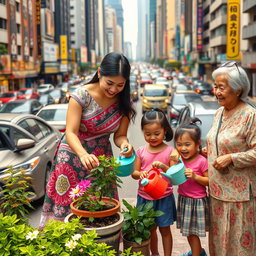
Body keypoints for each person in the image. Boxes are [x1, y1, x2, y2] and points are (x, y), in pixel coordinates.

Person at [39, 52, 136, 228]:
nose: (114, 89)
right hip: (71, 158)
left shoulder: (124, 102)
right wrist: (83, 154)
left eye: (120, 85)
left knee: (101, 210)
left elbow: (120, 136)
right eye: (109, 83)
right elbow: (71, 132)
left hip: (101, 161)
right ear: (99, 73)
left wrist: (125, 145)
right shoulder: (81, 96)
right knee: (68, 211)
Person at [206, 61, 256, 256]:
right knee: (219, 246)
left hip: (240, 197)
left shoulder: (250, 115)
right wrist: (206, 150)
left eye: (221, 87)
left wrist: (231, 158)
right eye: (215, 86)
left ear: (237, 89)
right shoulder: (219, 112)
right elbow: (219, 141)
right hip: (217, 193)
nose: (216, 91)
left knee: (239, 247)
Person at [131, 109, 177, 256]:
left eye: (157, 134)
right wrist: (140, 174)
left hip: (164, 198)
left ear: (165, 131)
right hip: (145, 197)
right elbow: (134, 173)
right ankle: (155, 253)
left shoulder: (170, 151)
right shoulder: (140, 151)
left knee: (165, 230)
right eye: (147, 134)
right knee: (150, 230)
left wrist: (164, 167)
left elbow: (174, 175)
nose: (152, 137)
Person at [173, 118, 209, 256]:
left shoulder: (201, 161)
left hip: (196, 202)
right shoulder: (180, 160)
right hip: (184, 199)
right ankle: (199, 252)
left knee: (193, 234)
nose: (183, 148)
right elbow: (172, 174)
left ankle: (197, 254)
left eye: (187, 144)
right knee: (188, 233)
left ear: (198, 143)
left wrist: (195, 177)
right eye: (179, 144)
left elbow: (209, 181)